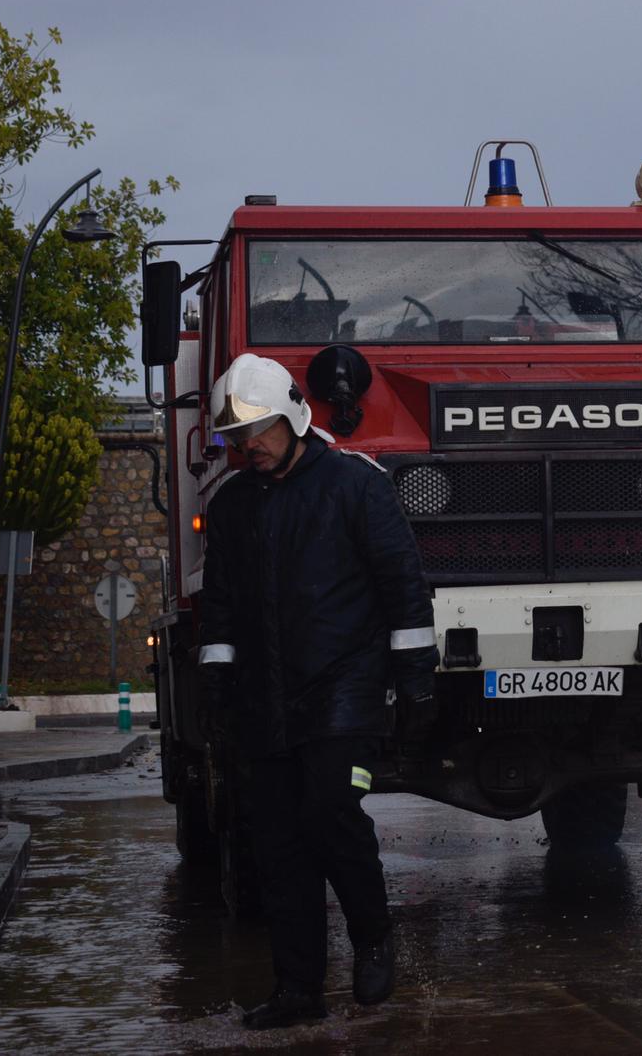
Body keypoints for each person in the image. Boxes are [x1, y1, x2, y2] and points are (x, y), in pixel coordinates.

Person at [197, 354, 438, 1030]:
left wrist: (416, 680)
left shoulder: (356, 486)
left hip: (345, 690)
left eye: (260, 433)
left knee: (333, 815)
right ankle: (298, 988)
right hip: (265, 701)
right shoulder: (233, 504)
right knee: (277, 845)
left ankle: (373, 939)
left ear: (293, 415)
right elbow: (220, 604)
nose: (249, 449)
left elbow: (402, 583)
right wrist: (217, 679)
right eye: (237, 440)